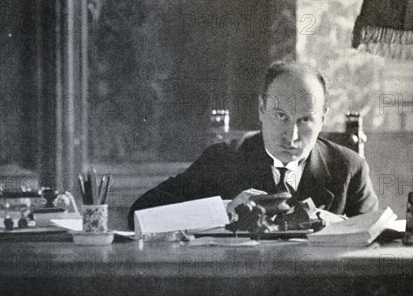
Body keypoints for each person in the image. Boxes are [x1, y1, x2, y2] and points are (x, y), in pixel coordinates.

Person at [128, 61, 379, 229]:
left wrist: (339, 225)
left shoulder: (349, 169)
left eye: (304, 120)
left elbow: (375, 241)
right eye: (281, 117)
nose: (291, 136)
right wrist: (225, 210)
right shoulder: (222, 160)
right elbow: (139, 214)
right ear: (261, 109)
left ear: (322, 118)